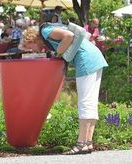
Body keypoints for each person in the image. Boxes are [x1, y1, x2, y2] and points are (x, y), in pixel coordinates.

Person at [20, 24, 108, 155]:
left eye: (28, 47)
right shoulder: (48, 35)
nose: (29, 50)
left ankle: (81, 144)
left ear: (31, 40)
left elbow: (69, 36)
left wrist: (58, 53)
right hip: (94, 56)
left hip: (86, 60)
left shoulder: (45, 31)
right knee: (91, 102)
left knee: (84, 102)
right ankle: (88, 142)